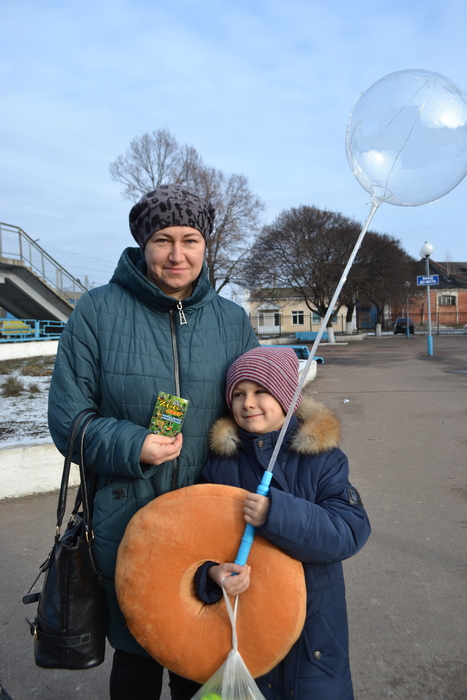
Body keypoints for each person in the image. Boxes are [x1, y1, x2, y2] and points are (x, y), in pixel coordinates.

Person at [47, 184, 259, 700]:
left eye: (190, 240)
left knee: (198, 654)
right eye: (163, 240)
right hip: (127, 519)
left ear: (207, 245)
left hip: (211, 518)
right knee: (137, 656)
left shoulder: (232, 320)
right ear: (143, 244)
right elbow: (67, 420)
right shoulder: (96, 312)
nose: (177, 254)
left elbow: (259, 410)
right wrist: (132, 444)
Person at [195, 346, 371, 699]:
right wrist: (211, 574)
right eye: (239, 394)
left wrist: (276, 513)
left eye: (262, 391)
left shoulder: (323, 460)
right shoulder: (219, 466)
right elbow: (196, 542)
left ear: (288, 397)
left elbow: (349, 530)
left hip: (313, 639)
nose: (248, 403)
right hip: (244, 634)